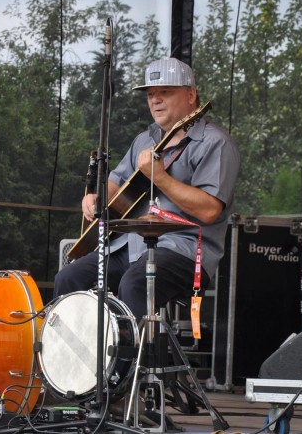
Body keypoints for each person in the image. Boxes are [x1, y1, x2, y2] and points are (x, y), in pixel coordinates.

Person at [54, 57, 240, 320]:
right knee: (69, 279)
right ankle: (73, 360)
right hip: (128, 246)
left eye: (165, 92)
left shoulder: (215, 143)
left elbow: (210, 210)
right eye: (151, 94)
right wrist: (96, 197)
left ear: (191, 95)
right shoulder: (145, 139)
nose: (155, 100)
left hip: (183, 251)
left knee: (135, 283)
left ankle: (130, 361)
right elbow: (115, 183)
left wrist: (161, 178)